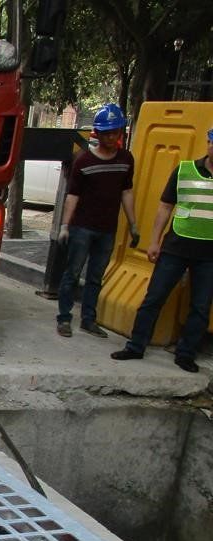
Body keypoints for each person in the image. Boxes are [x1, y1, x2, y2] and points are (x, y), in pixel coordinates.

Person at [110, 126, 213, 373]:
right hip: (176, 247)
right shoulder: (185, 170)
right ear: (208, 143)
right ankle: (136, 345)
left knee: (200, 306)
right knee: (154, 297)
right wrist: (155, 241)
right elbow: (165, 207)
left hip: (209, 254)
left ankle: (186, 354)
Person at [55, 104, 140, 339]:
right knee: (72, 273)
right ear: (98, 134)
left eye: (115, 132)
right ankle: (64, 318)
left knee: (95, 277)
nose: (111, 137)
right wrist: (65, 226)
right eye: (107, 133)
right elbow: (73, 196)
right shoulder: (83, 161)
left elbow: (127, 192)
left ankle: (89, 319)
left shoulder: (126, 159)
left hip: (107, 229)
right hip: (82, 228)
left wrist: (133, 224)